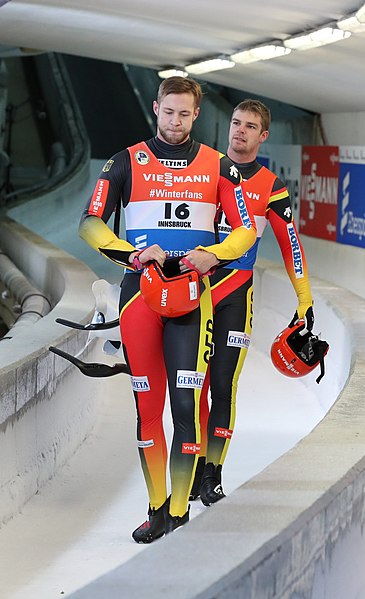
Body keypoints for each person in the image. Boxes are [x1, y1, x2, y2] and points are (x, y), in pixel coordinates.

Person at [78, 77, 256, 543]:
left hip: (192, 299)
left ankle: (180, 511)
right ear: (155, 108)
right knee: (146, 410)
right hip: (139, 297)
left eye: (184, 114)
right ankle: (156, 507)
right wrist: (130, 255)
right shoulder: (125, 161)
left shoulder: (220, 167)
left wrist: (214, 254)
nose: (174, 122)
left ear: (196, 115)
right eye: (168, 112)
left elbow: (244, 232)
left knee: (185, 409)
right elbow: (91, 222)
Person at [190, 99, 314, 505]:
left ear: (263, 136)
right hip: (196, 294)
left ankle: (212, 474)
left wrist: (304, 297)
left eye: (250, 126)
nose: (240, 130)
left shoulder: (271, 186)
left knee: (223, 386)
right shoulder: (202, 168)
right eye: (236, 123)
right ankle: (190, 468)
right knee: (193, 385)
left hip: (236, 297)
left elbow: (289, 243)